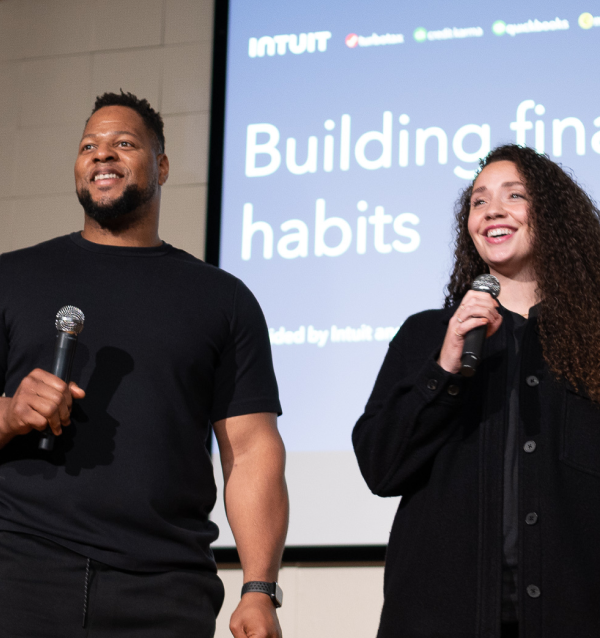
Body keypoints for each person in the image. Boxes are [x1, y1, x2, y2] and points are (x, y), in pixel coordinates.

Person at [0, 91, 289, 638]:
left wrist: (258, 588)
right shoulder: (11, 279)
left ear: (161, 165)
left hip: (165, 588)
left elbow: (250, 450)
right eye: (90, 145)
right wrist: (11, 413)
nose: (102, 155)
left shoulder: (221, 299)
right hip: (21, 573)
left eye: (123, 144)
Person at [353, 144, 600, 638]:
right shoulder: (427, 334)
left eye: (514, 196)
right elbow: (381, 467)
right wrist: (444, 366)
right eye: (478, 201)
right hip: (442, 617)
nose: (493, 211)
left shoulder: (592, 339)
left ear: (551, 213)